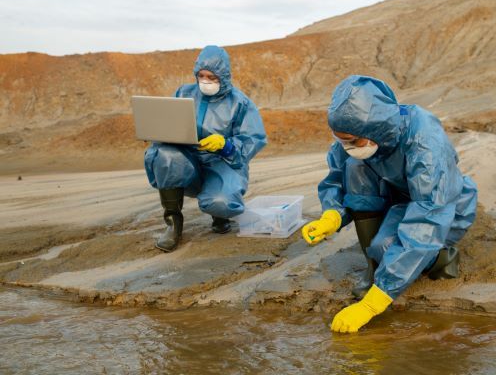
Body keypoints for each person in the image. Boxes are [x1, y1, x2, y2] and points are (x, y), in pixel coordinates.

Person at [302, 75, 477, 333]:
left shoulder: (424, 143)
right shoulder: (356, 132)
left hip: (442, 207)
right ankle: (375, 269)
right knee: (355, 166)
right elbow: (338, 178)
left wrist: (374, 303)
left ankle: (441, 258)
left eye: (353, 141)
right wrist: (333, 216)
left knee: (387, 247)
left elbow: (427, 218)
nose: (346, 146)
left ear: (375, 130)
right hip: (399, 198)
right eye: (342, 140)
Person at [144, 45, 267, 252]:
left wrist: (226, 145)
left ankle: (218, 214)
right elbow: (169, 123)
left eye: (211, 76)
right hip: (187, 161)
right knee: (165, 156)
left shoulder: (240, 103)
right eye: (201, 75)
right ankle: (173, 223)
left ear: (224, 76)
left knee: (222, 202)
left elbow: (253, 138)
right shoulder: (184, 92)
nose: (205, 81)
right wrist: (158, 134)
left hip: (221, 164)